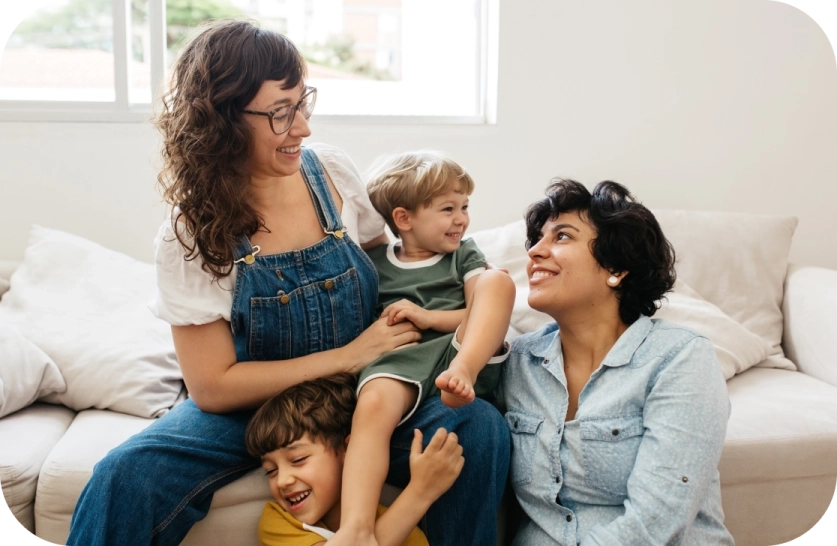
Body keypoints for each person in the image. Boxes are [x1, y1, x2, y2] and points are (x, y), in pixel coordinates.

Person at [65, 19, 509, 546]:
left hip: (365, 392)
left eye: (303, 104)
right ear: (223, 120)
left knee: (477, 428)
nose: (301, 127)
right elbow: (212, 386)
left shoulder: (334, 175)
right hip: (253, 411)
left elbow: (389, 275)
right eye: (280, 112)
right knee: (126, 473)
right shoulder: (191, 232)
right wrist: (345, 356)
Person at [500, 179, 735, 545]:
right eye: (537, 240)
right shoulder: (518, 363)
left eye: (561, 237)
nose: (534, 252)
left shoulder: (679, 357)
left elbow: (657, 519)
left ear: (617, 267)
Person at [330, 151, 516, 545]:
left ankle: (464, 372)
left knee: (496, 282)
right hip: (404, 358)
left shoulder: (464, 255)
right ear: (404, 219)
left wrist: (430, 318)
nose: (462, 218)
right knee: (373, 406)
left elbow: (477, 311)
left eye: (464, 206)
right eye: (448, 208)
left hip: (458, 354)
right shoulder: (375, 261)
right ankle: (356, 528)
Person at [244, 373, 464, 546]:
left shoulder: (399, 526)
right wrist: (421, 492)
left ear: (349, 449)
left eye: (298, 459)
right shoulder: (278, 522)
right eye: (270, 471)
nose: (282, 481)